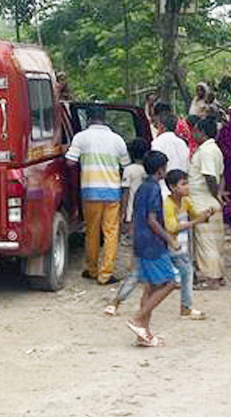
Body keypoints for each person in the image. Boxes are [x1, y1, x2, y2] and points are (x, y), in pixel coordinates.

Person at [66, 104, 130, 286]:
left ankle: (92, 269)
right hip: (112, 193)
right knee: (111, 232)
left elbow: (70, 162)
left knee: (91, 231)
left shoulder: (81, 137)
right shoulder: (117, 140)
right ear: (105, 118)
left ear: (88, 118)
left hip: (90, 191)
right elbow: (126, 165)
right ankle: (106, 274)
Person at [125, 151, 176, 347]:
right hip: (152, 243)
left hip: (140, 241)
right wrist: (168, 238)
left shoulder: (142, 187)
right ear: (161, 169)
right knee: (170, 282)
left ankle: (143, 333)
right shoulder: (154, 189)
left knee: (151, 286)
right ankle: (138, 319)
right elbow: (152, 221)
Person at [103, 138, 150, 317]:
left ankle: (134, 270)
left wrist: (122, 214)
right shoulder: (147, 170)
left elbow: (126, 192)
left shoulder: (129, 170)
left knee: (133, 244)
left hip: (132, 212)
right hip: (144, 214)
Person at [163, 169, 213, 320]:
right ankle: (186, 307)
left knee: (184, 274)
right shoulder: (168, 204)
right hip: (173, 245)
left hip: (181, 245)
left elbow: (196, 214)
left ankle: (186, 306)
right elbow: (171, 227)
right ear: (173, 187)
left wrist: (205, 215)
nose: (187, 187)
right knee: (186, 273)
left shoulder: (185, 201)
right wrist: (197, 220)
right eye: (183, 184)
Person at [187, 116, 225, 289]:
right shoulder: (214, 149)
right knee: (214, 241)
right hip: (208, 199)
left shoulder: (206, 151)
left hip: (203, 200)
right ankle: (217, 274)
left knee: (205, 242)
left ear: (201, 132)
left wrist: (215, 194)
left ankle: (212, 278)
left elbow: (210, 176)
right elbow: (220, 175)